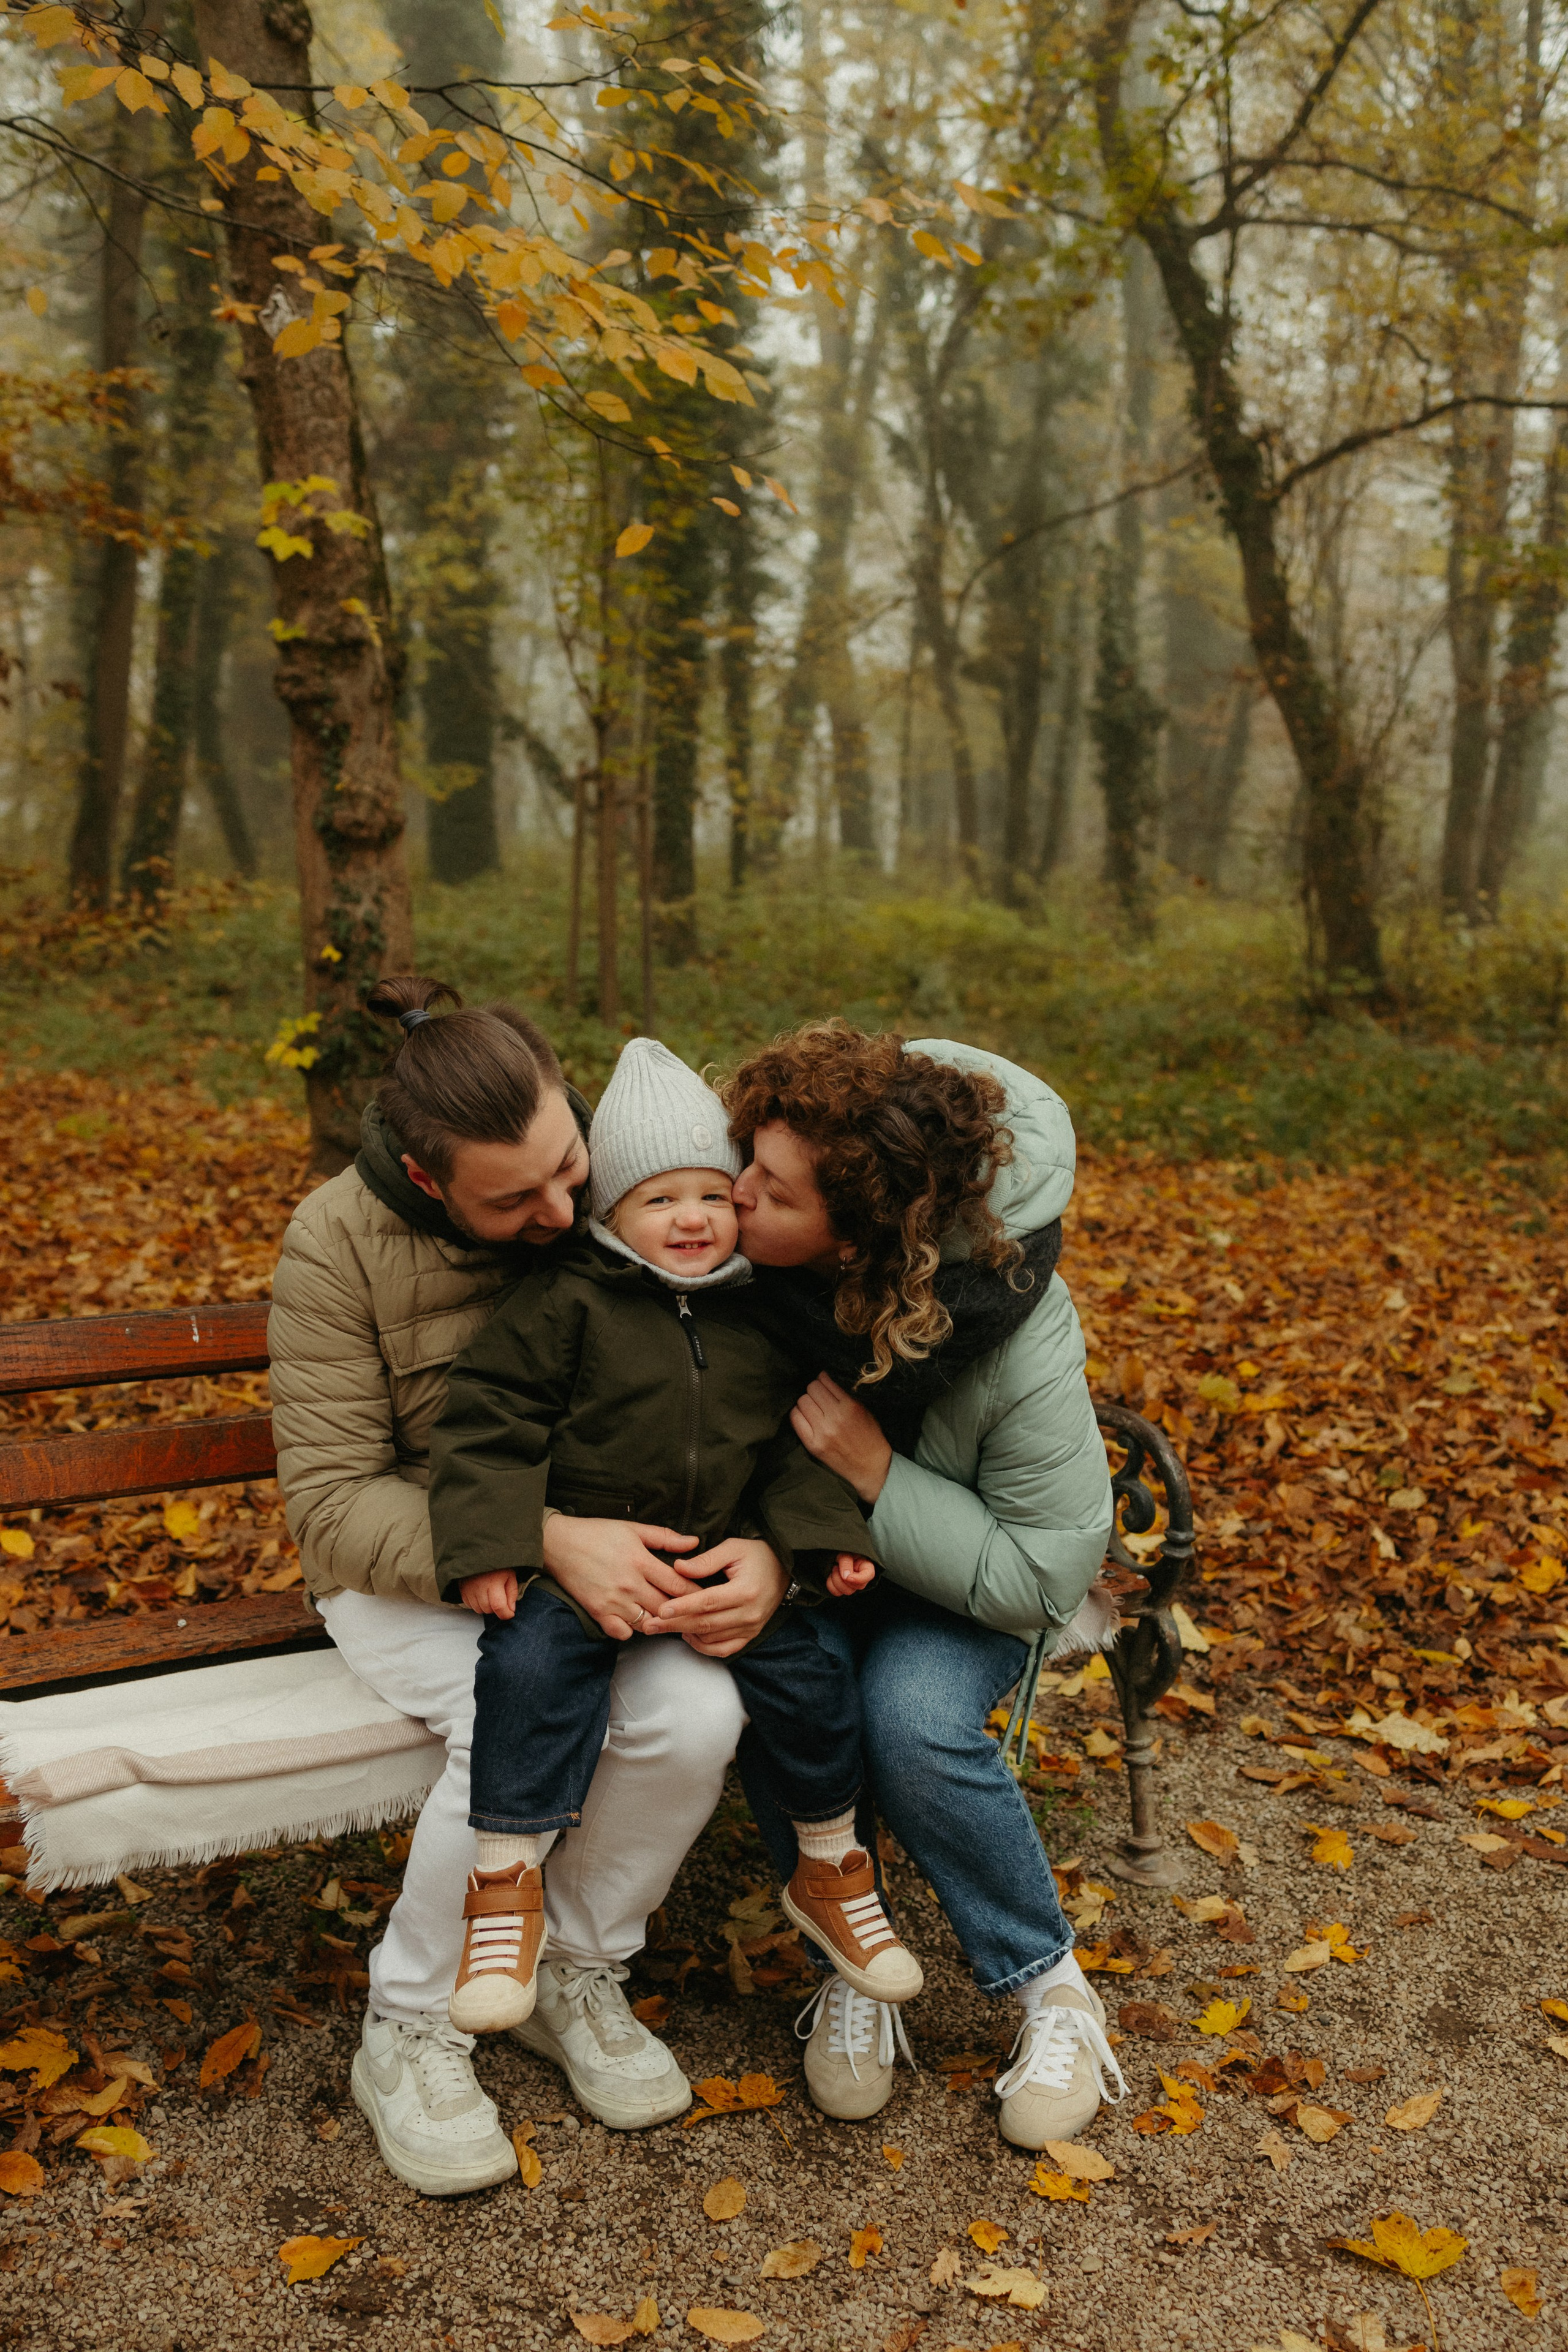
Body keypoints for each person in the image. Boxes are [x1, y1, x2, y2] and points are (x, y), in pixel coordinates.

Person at [267, 980, 776, 2196]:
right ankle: (410, 2026)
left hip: (614, 1561)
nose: (562, 1211)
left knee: (699, 1714)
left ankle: (572, 1970)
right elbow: (334, 1503)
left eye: (568, 1167)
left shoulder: (636, 1187)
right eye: (517, 1200)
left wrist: (772, 1548)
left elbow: (737, 1390)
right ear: (430, 1181)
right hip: (417, 1572)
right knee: (513, 1711)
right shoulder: (335, 1243)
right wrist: (543, 1537)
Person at [426, 1038, 922, 2036]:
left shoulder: (759, 1318)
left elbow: (788, 1453)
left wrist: (819, 1542)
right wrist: (494, 1544)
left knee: (814, 1683)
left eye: (709, 1193)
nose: (690, 1217)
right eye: (658, 1200)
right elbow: (489, 1417)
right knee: (526, 1675)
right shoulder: (569, 1302)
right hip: (588, 1569)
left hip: (711, 1570)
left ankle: (829, 1864)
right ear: (611, 1214)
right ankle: (505, 1887)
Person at [703, 1021, 1126, 2148]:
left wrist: (878, 1475)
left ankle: (1050, 1986)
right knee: (789, 1687)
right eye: (747, 1160)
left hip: (972, 1587)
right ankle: (855, 1948)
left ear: (857, 1243)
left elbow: (1045, 1573)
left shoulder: (1015, 1326)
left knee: (913, 1714)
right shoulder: (742, 1275)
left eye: (772, 1191)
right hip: (816, 1569)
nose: (733, 1194)